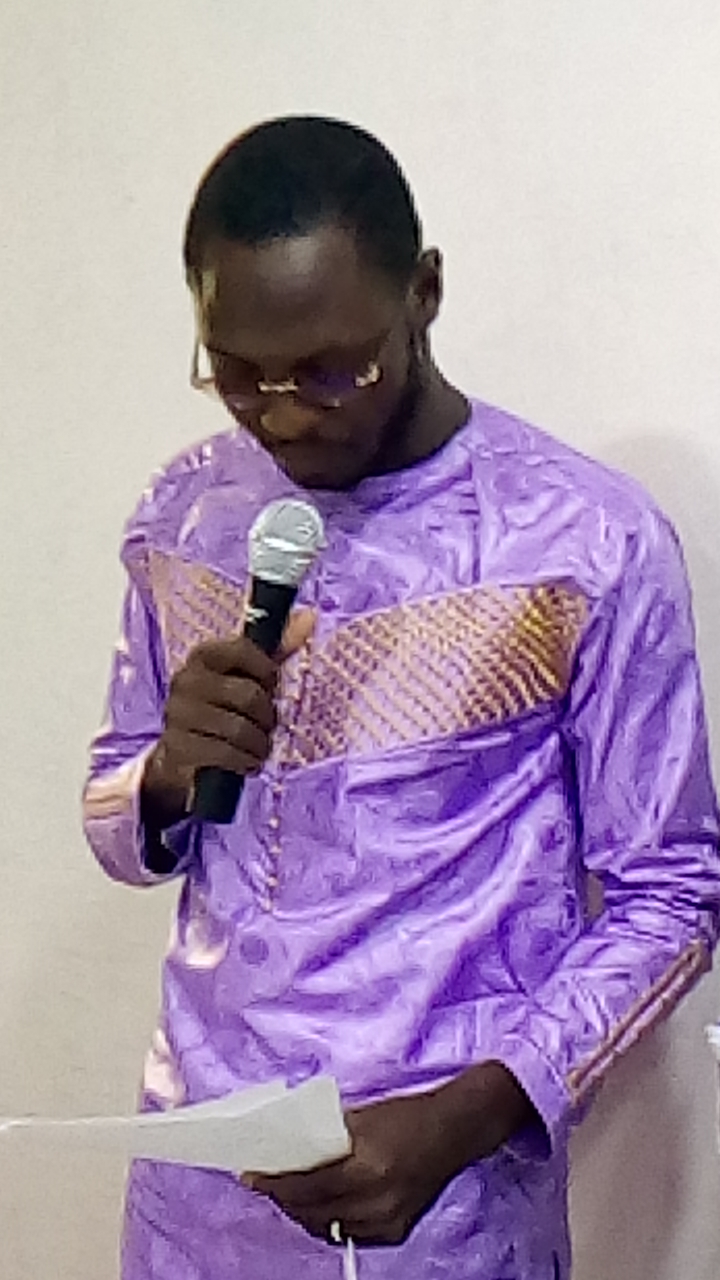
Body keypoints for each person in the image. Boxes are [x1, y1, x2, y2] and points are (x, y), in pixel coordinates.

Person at [83, 115, 720, 1280]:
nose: (283, 412)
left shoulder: (583, 543)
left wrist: (471, 1113)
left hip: (446, 1197)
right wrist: (167, 774)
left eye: (333, 368)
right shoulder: (187, 514)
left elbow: (670, 893)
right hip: (198, 1194)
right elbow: (117, 821)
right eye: (237, 372)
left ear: (423, 293)